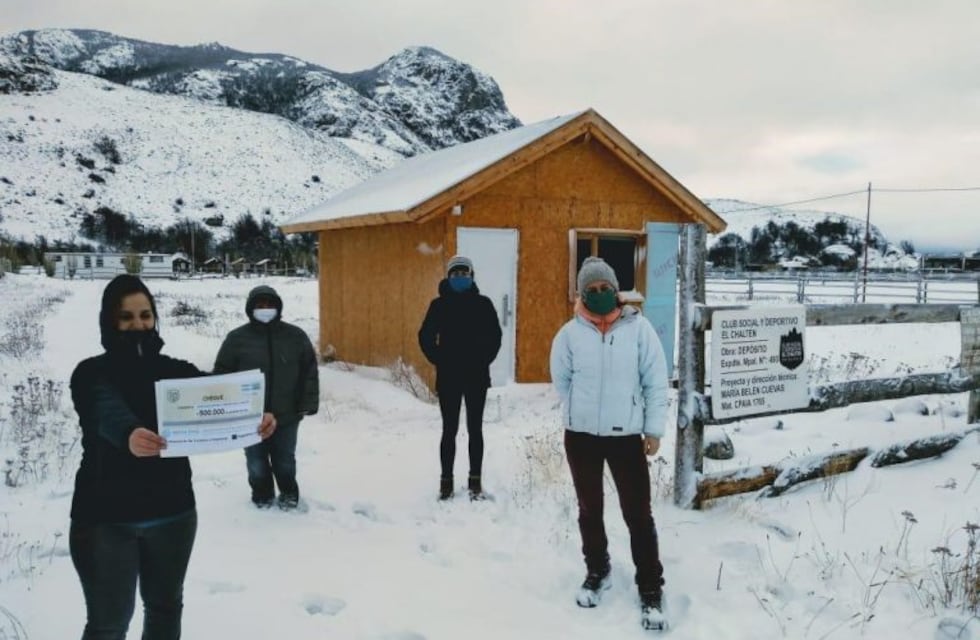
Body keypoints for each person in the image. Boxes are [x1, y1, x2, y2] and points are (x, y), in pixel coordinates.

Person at [69, 274, 276, 639]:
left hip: (172, 514)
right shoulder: (90, 373)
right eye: (127, 316)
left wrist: (255, 417)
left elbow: (219, 400)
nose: (138, 324)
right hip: (106, 520)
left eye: (145, 315)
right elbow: (104, 408)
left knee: (165, 610)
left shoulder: (175, 372)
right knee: (108, 624)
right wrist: (129, 433)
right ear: (109, 320)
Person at [549, 256, 669, 631]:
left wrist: (652, 430)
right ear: (581, 294)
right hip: (581, 436)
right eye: (591, 289)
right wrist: (584, 413)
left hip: (625, 436)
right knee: (589, 509)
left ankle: (650, 587)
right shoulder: (569, 334)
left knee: (637, 513)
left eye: (604, 288)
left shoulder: (640, 330)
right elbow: (562, 381)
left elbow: (655, 382)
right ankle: (597, 571)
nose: (599, 294)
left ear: (616, 291)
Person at [214, 285, 319, 510]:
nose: (265, 309)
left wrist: (307, 404)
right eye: (260, 306)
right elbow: (222, 374)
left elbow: (309, 371)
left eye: (270, 305)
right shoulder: (237, 339)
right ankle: (262, 495)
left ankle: (289, 493)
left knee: (285, 461)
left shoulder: (295, 336)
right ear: (250, 308)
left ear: (278, 307)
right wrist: (226, 407)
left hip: (287, 415)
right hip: (249, 418)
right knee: (256, 463)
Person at [418, 255, 502, 500]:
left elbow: (495, 337)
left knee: (475, 430)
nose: (460, 278)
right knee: (449, 430)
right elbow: (425, 336)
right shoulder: (439, 305)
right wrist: (439, 359)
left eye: (464, 274)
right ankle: (446, 483)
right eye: (455, 274)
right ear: (448, 277)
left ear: (472, 276)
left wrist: (483, 359)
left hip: (476, 377)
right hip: (449, 377)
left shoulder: (483, 304)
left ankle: (475, 482)